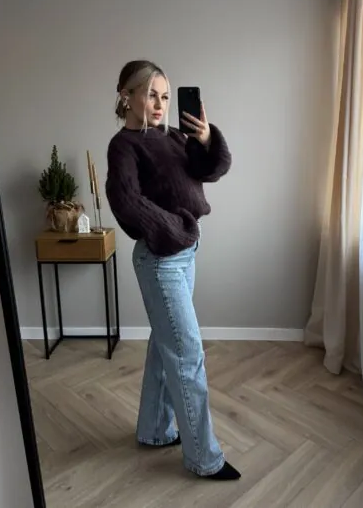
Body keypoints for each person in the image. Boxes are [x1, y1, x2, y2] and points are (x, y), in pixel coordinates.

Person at [105, 60, 240, 480]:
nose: (160, 103)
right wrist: (175, 228)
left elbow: (210, 171)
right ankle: (204, 458)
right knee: (187, 354)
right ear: (126, 96)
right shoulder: (124, 145)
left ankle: (155, 430)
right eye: (151, 94)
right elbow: (125, 201)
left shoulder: (174, 136)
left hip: (183, 253)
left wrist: (206, 138)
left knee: (167, 346)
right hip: (162, 258)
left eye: (164, 96)